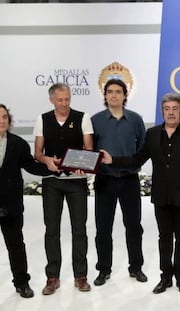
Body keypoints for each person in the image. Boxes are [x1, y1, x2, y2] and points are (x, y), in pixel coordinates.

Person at [101, 93, 180, 294]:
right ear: (162, 111)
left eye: (175, 108)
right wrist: (113, 160)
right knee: (164, 237)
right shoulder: (153, 134)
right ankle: (165, 277)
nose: (171, 112)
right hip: (161, 196)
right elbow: (137, 159)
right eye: (167, 109)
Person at [34, 83, 93, 294]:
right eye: (60, 100)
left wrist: (82, 164)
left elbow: (89, 149)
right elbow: (38, 153)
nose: (65, 103)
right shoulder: (42, 119)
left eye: (67, 99)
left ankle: (81, 276)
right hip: (52, 181)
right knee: (52, 230)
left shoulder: (83, 118)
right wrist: (47, 159)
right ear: (52, 100)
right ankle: (52, 277)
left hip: (76, 182)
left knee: (80, 229)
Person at [91, 79, 147, 286]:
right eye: (110, 92)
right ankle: (104, 269)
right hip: (105, 180)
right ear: (105, 96)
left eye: (118, 92)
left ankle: (136, 267)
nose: (114, 95)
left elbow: (142, 149)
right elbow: (89, 151)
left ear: (125, 95)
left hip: (129, 180)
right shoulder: (95, 120)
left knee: (134, 227)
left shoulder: (135, 120)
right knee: (103, 228)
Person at [0, 104, 56, 298]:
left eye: (5, 117)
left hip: (11, 205)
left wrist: (51, 166)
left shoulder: (18, 144)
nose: (2, 121)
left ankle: (22, 283)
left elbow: (32, 166)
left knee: (16, 245)